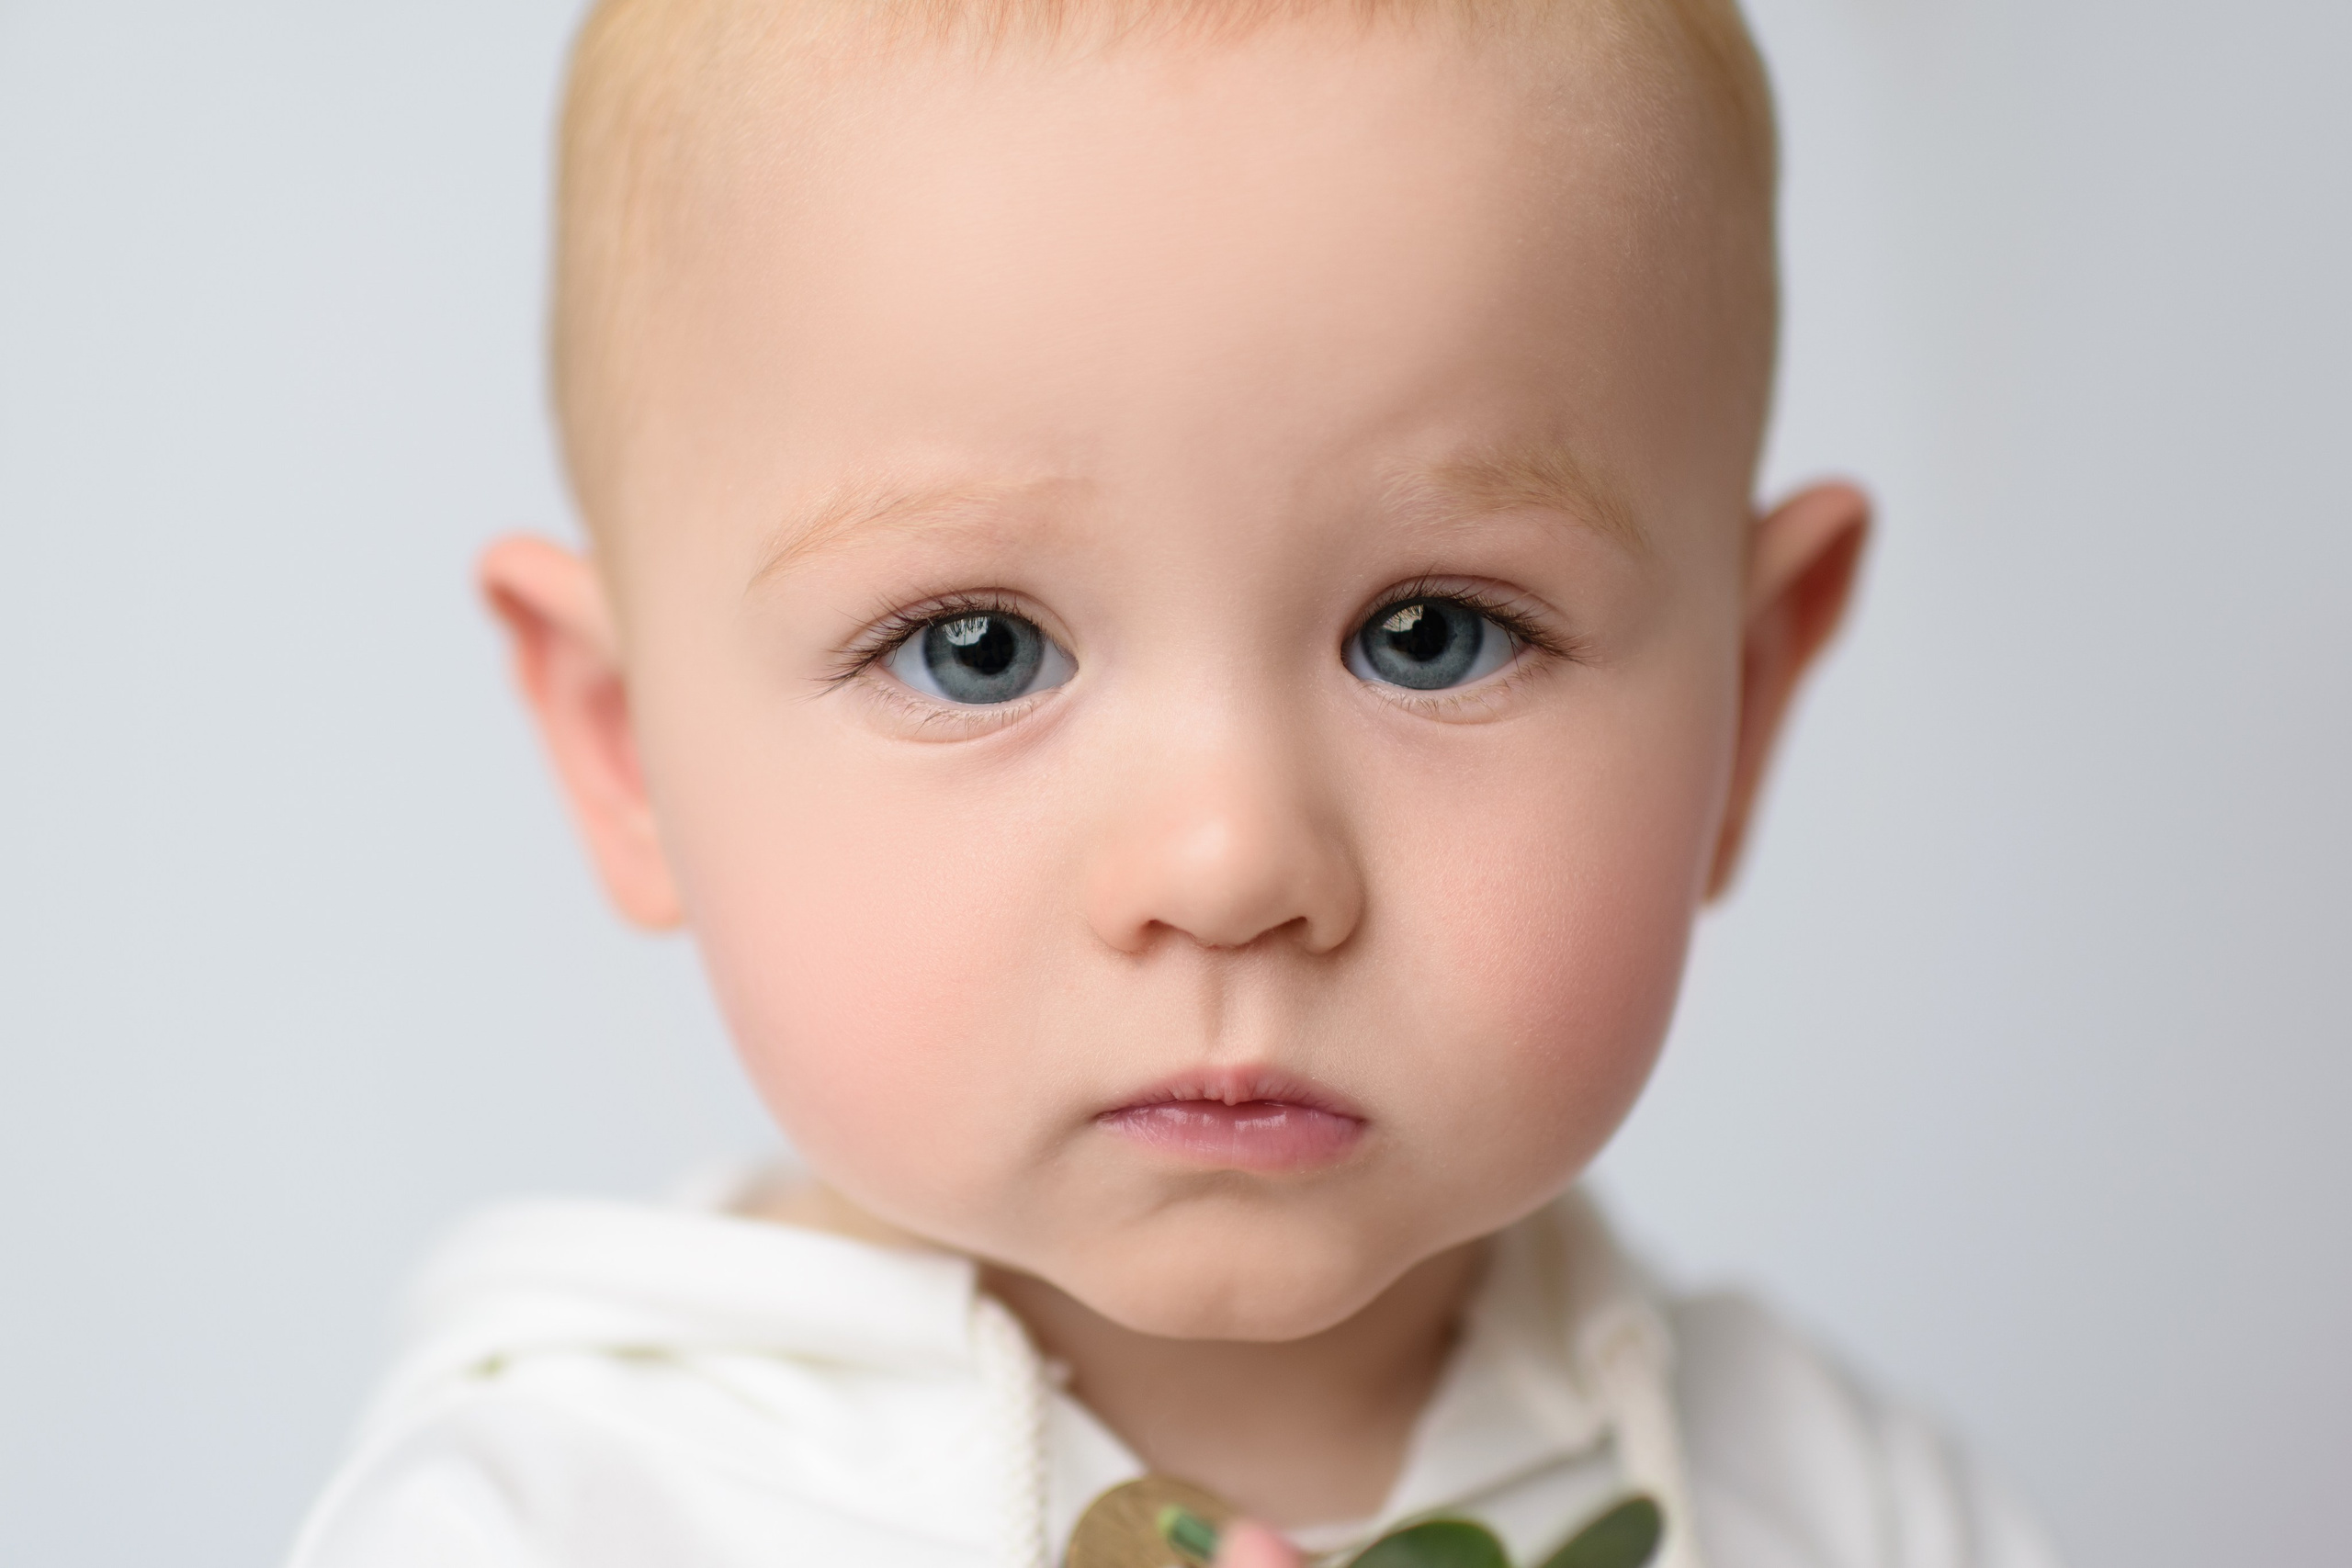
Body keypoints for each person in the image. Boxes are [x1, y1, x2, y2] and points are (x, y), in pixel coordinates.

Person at [288, 0, 2063, 1563]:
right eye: (974, 647)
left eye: (1436, 632)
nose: (1227, 865)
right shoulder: (543, 1522)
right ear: (624, 744)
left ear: (1745, 704)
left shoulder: (1849, 1511)